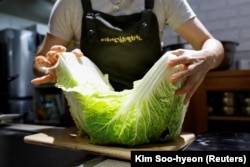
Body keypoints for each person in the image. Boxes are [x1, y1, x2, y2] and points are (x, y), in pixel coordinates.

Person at [31, 0, 224, 105]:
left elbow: (211, 43)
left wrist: (208, 57)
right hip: (91, 119)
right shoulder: (69, 4)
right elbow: (39, 64)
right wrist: (54, 67)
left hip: (151, 113)